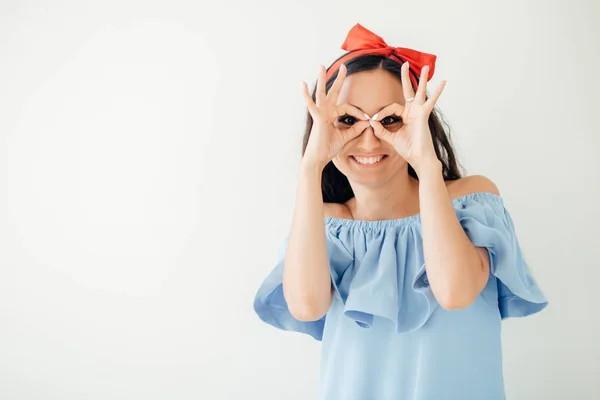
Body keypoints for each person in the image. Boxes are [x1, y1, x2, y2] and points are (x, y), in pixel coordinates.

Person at [253, 23, 548, 400]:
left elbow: (454, 291)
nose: (370, 137)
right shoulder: (327, 224)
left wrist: (426, 163)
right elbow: (307, 305)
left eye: (390, 119)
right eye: (347, 120)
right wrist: (311, 167)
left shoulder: (471, 200)